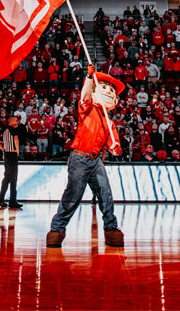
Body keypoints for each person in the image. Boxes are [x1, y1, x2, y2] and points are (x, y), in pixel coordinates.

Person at [47, 64, 124, 248]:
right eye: (104, 88)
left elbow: (114, 144)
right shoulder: (88, 109)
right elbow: (85, 97)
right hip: (80, 157)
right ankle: (57, 228)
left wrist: (114, 147)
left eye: (112, 90)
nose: (108, 92)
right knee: (73, 195)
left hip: (96, 160)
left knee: (105, 194)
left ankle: (111, 228)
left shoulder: (110, 123)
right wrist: (89, 79)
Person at [0, 116, 23, 210]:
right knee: (13, 178)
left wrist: (4, 150)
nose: (18, 122)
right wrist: (17, 150)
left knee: (7, 178)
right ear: (12, 122)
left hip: (6, 155)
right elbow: (16, 139)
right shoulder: (13, 129)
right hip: (12, 155)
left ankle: (1, 200)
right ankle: (12, 201)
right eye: (16, 120)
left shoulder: (4, 131)